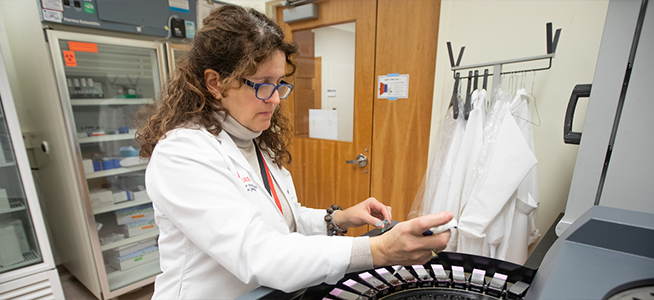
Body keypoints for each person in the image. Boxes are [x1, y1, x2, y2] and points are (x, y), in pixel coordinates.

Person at [136, 5, 452, 299]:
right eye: (262, 84)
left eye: (279, 84)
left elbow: (281, 219)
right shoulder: (182, 154)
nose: (275, 99)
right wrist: (379, 250)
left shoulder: (252, 141)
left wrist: (338, 219)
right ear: (215, 83)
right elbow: (258, 252)